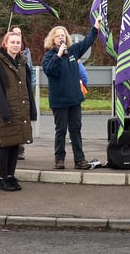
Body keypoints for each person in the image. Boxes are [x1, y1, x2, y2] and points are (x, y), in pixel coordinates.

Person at [42, 17, 101, 170]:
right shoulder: (49, 55)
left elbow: (87, 41)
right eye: (58, 35)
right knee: (60, 130)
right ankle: (59, 159)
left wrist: (95, 27)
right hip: (59, 101)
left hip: (74, 99)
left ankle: (79, 160)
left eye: (63, 35)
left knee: (75, 129)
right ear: (52, 39)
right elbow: (49, 71)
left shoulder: (74, 50)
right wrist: (58, 55)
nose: (61, 37)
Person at [0, 31, 37, 191]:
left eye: (18, 42)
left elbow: (28, 88)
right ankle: (3, 178)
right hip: (7, 110)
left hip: (21, 109)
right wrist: (4, 111)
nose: (16, 45)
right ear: (6, 44)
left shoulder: (22, 62)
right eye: (13, 42)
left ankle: (11, 176)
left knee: (15, 144)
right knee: (5, 145)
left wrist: (32, 109)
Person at [10, 25, 36, 161]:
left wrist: (30, 87)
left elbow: (30, 71)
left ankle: (21, 148)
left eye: (19, 34)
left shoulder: (26, 52)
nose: (17, 36)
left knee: (23, 119)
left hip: (24, 90)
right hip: (12, 91)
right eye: (14, 33)